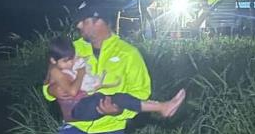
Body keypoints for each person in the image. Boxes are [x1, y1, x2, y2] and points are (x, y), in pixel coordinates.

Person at [42, 1, 157, 134]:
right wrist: (54, 91)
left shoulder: (129, 54)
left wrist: (118, 113)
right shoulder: (73, 48)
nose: (78, 26)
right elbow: (48, 83)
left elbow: (141, 93)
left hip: (110, 132)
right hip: (74, 128)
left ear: (98, 21)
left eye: (83, 21)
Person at [46, 36, 185, 122]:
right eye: (66, 61)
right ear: (53, 60)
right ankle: (162, 107)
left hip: (87, 103)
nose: (70, 63)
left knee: (119, 98)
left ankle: (161, 107)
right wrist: (81, 72)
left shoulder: (66, 65)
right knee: (117, 99)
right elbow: (72, 91)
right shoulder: (55, 71)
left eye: (71, 59)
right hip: (77, 109)